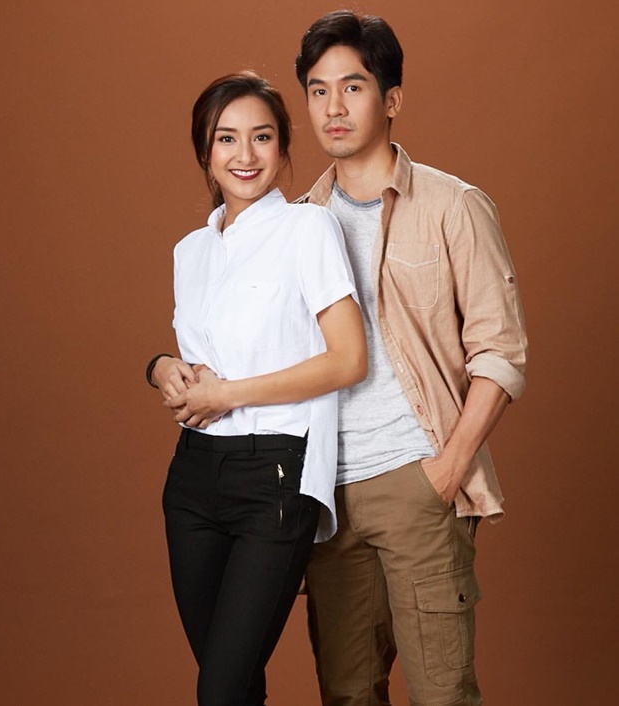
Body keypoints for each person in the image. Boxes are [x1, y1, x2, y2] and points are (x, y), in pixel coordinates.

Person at [293, 11, 528, 706]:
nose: (333, 107)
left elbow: (500, 351)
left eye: (353, 87)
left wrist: (446, 470)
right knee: (346, 694)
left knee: (442, 694)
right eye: (317, 90)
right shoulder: (299, 223)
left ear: (391, 98)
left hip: (418, 483)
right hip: (328, 499)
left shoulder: (454, 207)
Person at [145, 71, 367, 706]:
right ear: (205, 150)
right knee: (234, 689)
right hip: (193, 479)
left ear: (283, 146)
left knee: (219, 691)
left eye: (262, 137)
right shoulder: (190, 251)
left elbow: (348, 359)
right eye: (226, 138)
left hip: (274, 473)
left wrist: (227, 395)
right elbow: (204, 362)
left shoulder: (307, 229)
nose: (245, 155)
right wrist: (162, 367)